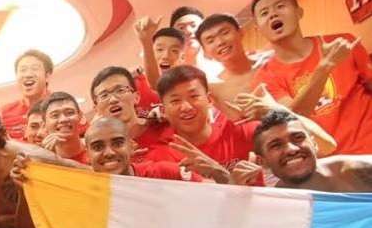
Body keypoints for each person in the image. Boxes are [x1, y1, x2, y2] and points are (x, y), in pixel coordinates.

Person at [143, 65, 335, 184]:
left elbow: (326, 146)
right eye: (175, 101)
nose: (186, 107)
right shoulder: (157, 155)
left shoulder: (242, 131)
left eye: (194, 97)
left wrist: (275, 110)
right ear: (164, 108)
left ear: (209, 99)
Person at [252, 0, 372, 154]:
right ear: (258, 28)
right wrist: (325, 67)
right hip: (329, 165)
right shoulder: (264, 78)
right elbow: (293, 118)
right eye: (264, 13)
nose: (273, 14)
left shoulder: (343, 43)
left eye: (280, 6)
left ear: (299, 12)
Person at [253, 109, 372, 192]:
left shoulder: (356, 172)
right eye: (276, 145)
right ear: (262, 162)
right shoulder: (273, 207)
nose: (292, 149)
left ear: (314, 144)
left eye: (298, 138)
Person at [195, 13, 267, 121]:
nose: (220, 42)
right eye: (210, 41)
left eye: (225, 33)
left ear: (241, 32)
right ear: (205, 51)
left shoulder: (269, 62)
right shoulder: (213, 90)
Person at [85, 117, 203, 181]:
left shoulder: (163, 173)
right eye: (98, 147)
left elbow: (215, 193)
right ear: (87, 155)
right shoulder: (83, 195)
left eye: (117, 143)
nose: (109, 152)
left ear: (131, 146)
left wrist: (218, 173)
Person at [89, 66, 165, 153]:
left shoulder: (163, 124)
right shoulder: (102, 154)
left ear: (136, 97)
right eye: (104, 95)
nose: (113, 99)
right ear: (96, 109)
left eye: (120, 90)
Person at [2, 50, 54, 140]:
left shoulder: (63, 107)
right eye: (23, 70)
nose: (28, 75)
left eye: (34, 68)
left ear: (47, 76)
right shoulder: (4, 113)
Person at [41, 92, 88, 164]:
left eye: (70, 113)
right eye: (55, 115)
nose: (63, 119)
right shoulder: (41, 160)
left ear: (80, 116)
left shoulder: (95, 148)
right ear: (44, 125)